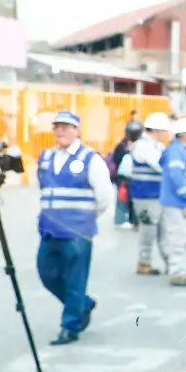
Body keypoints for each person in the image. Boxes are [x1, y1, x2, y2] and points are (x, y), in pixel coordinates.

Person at [35, 110, 114, 345]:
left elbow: (105, 196)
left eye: (66, 127)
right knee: (47, 273)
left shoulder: (90, 158)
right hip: (49, 229)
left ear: (77, 130)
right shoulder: (47, 157)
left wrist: (85, 218)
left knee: (74, 280)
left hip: (77, 232)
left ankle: (70, 327)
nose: (61, 131)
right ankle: (83, 304)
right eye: (57, 127)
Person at [119, 111, 168, 274]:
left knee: (163, 229)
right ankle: (144, 262)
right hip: (145, 195)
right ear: (157, 130)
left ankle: (171, 260)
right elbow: (159, 165)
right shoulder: (142, 146)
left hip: (157, 193)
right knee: (148, 230)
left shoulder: (157, 145)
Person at [159, 117, 186, 286]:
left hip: (178, 201)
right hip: (176, 201)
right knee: (177, 235)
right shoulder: (176, 151)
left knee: (179, 234)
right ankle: (177, 270)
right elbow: (176, 176)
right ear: (185, 134)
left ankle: (180, 266)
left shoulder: (180, 150)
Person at [109, 118, 142, 229]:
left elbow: (116, 159)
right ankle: (123, 220)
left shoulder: (123, 145)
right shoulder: (124, 146)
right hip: (126, 177)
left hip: (127, 177)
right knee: (123, 198)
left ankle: (130, 220)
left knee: (127, 199)